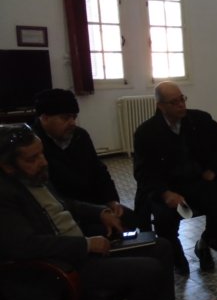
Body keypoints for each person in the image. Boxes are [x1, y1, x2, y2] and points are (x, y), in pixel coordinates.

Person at [0, 123, 186, 300]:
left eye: (41, 154)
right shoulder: (5, 195)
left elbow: (64, 205)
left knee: (160, 246)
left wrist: (100, 212)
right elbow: (25, 245)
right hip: (57, 270)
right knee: (149, 270)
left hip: (77, 252)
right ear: (7, 166)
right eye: (32, 158)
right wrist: (86, 244)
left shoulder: (33, 176)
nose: (43, 161)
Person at [133, 82, 217, 275]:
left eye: (182, 99)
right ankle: (176, 254)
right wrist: (165, 193)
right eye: (174, 102)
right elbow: (143, 172)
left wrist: (214, 170)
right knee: (164, 219)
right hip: (167, 187)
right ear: (160, 106)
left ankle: (204, 244)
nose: (181, 105)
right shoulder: (146, 133)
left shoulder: (199, 120)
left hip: (199, 181)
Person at [31, 88, 140, 232]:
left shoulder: (80, 136)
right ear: (44, 118)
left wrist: (111, 201)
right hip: (63, 212)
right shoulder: (32, 146)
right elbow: (51, 197)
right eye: (65, 118)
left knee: (129, 218)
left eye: (74, 117)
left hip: (93, 203)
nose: (72, 123)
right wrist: (98, 212)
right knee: (105, 230)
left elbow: (99, 171)